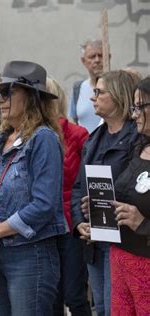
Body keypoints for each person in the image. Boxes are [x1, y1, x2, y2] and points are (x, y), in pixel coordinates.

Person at [0, 60, 68, 315]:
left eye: (7, 91)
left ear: (31, 97)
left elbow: (44, 204)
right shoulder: (1, 139)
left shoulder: (43, 139)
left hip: (30, 255)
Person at [71, 70, 140, 316]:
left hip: (123, 241)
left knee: (115, 309)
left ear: (119, 96)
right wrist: (80, 223)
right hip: (94, 240)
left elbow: (138, 187)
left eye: (99, 92)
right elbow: (79, 187)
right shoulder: (93, 139)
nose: (93, 98)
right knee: (100, 308)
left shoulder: (137, 138)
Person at [46, 77, 92, 316]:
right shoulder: (30, 136)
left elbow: (84, 181)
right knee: (51, 296)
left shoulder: (77, 134)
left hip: (72, 224)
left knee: (74, 294)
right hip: (43, 225)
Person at [109, 76, 150, 315]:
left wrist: (143, 224)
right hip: (121, 257)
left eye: (139, 107)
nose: (133, 114)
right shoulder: (139, 147)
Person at [68, 39, 106, 133]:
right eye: (92, 57)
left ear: (108, 57)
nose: (97, 60)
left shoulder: (117, 87)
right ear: (83, 60)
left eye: (101, 55)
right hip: (85, 146)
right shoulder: (78, 88)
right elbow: (74, 122)